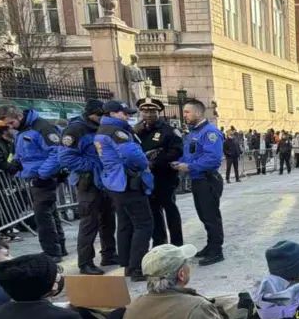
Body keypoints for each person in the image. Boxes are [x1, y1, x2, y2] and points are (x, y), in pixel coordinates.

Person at [95, 101, 154, 280]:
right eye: (124, 113)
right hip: (127, 182)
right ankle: (137, 268)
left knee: (125, 224)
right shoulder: (116, 131)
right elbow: (132, 154)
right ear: (112, 114)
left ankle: (127, 264)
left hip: (115, 183)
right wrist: (145, 162)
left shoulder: (103, 130)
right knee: (144, 225)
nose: (127, 116)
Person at [0, 104, 66, 259]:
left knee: (43, 216)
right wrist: (15, 163)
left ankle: (52, 252)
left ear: (19, 117)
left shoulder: (41, 127)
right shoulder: (23, 130)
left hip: (44, 177)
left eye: (11, 123)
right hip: (35, 176)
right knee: (50, 213)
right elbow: (22, 151)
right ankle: (59, 247)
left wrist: (43, 174)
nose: (10, 127)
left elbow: (57, 152)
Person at [59, 100, 118, 275]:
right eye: (101, 115)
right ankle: (85, 262)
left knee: (108, 220)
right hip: (88, 181)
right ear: (92, 114)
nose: (103, 118)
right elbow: (66, 158)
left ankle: (109, 254)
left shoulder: (103, 127)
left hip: (105, 181)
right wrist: (94, 166)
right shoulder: (76, 130)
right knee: (89, 223)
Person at [175, 99, 225, 266]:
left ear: (198, 112)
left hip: (207, 179)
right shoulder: (193, 133)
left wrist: (188, 166)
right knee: (204, 215)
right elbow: (190, 154)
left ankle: (216, 250)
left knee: (211, 216)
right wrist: (179, 162)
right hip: (198, 179)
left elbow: (212, 158)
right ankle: (210, 245)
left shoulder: (210, 132)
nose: (185, 115)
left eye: (187, 112)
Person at [135, 98, 184, 248]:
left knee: (170, 210)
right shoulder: (137, 130)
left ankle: (177, 243)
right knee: (153, 212)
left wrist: (155, 163)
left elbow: (176, 151)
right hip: (146, 179)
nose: (148, 114)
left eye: (152, 111)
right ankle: (159, 242)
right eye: (145, 111)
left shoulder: (169, 131)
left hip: (164, 177)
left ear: (159, 112)